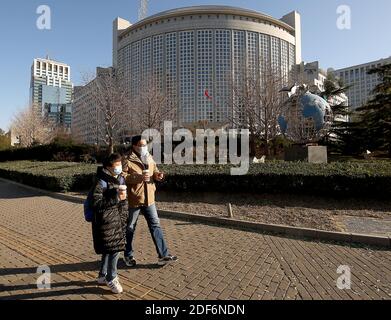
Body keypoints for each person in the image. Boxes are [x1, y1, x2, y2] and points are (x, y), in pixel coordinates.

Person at [122, 135, 177, 267]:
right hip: (134, 199)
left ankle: (163, 255)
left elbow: (155, 170)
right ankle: (128, 255)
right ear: (134, 145)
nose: (144, 147)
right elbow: (122, 177)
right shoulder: (127, 159)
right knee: (130, 228)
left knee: (155, 225)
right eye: (141, 145)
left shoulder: (149, 156)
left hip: (149, 198)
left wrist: (158, 175)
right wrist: (138, 177)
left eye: (145, 144)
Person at [91, 153, 128, 294]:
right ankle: (111, 277)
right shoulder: (101, 181)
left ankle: (102, 275)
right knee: (114, 249)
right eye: (116, 165)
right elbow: (96, 203)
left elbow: (123, 201)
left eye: (120, 164)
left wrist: (124, 215)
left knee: (109, 248)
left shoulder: (120, 177)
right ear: (108, 167)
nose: (119, 167)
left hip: (118, 218)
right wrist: (115, 198)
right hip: (106, 220)